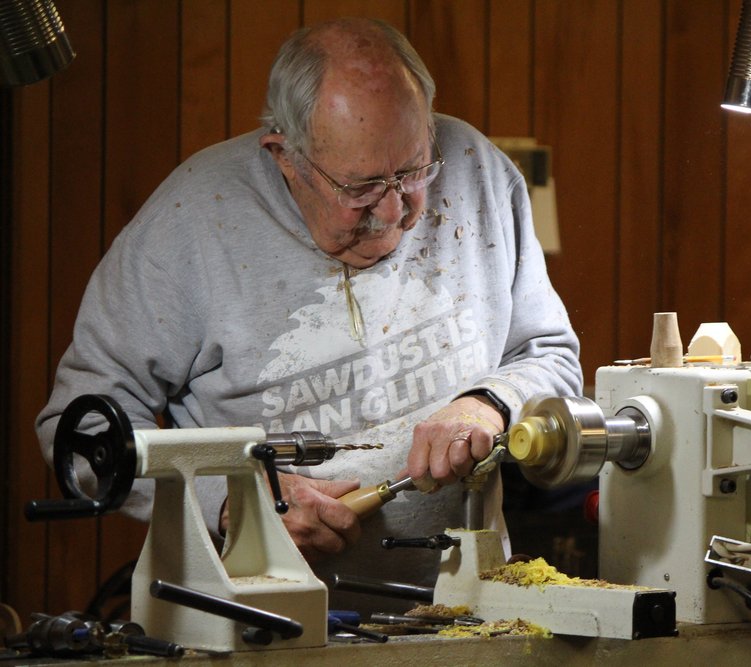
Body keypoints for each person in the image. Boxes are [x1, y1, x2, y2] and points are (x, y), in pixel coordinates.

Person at [34, 18, 582, 615]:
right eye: (363, 187)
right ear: (286, 157)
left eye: (415, 171)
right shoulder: (190, 224)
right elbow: (79, 431)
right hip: (253, 622)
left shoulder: (479, 172)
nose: (397, 211)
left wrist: (490, 401)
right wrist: (233, 504)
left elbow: (550, 355)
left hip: (465, 614)